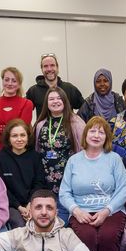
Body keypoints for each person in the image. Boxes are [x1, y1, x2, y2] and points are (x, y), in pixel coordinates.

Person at [59, 116, 126, 251]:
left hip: (111, 210)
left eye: (101, 132)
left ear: (106, 137)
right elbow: (64, 192)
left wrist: (106, 210)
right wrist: (76, 210)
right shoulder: (74, 161)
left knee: (106, 237)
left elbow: (123, 189)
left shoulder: (114, 159)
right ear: (85, 134)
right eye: (92, 130)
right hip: (81, 211)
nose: (96, 135)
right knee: (87, 238)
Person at [34, 87, 86, 218]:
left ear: (65, 101)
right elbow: (37, 150)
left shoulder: (76, 122)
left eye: (59, 98)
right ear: (46, 102)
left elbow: (84, 151)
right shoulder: (41, 124)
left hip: (68, 178)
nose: (55, 101)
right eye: (51, 99)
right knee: (48, 216)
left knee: (65, 217)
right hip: (46, 180)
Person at [0, 119, 47, 228]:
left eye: (23, 135)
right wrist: (19, 207)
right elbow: (0, 188)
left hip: (33, 202)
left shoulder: (35, 157)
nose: (19, 139)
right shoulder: (0, 158)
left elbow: (39, 183)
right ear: (8, 138)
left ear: (28, 137)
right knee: (20, 224)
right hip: (10, 204)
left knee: (40, 223)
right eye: (14, 136)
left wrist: (31, 203)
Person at [0, 67, 34, 152]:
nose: (10, 83)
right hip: (1, 153)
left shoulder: (27, 104)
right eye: (7, 80)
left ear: (19, 84)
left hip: (22, 152)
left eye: (14, 81)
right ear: (2, 81)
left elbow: (23, 130)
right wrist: (16, 135)